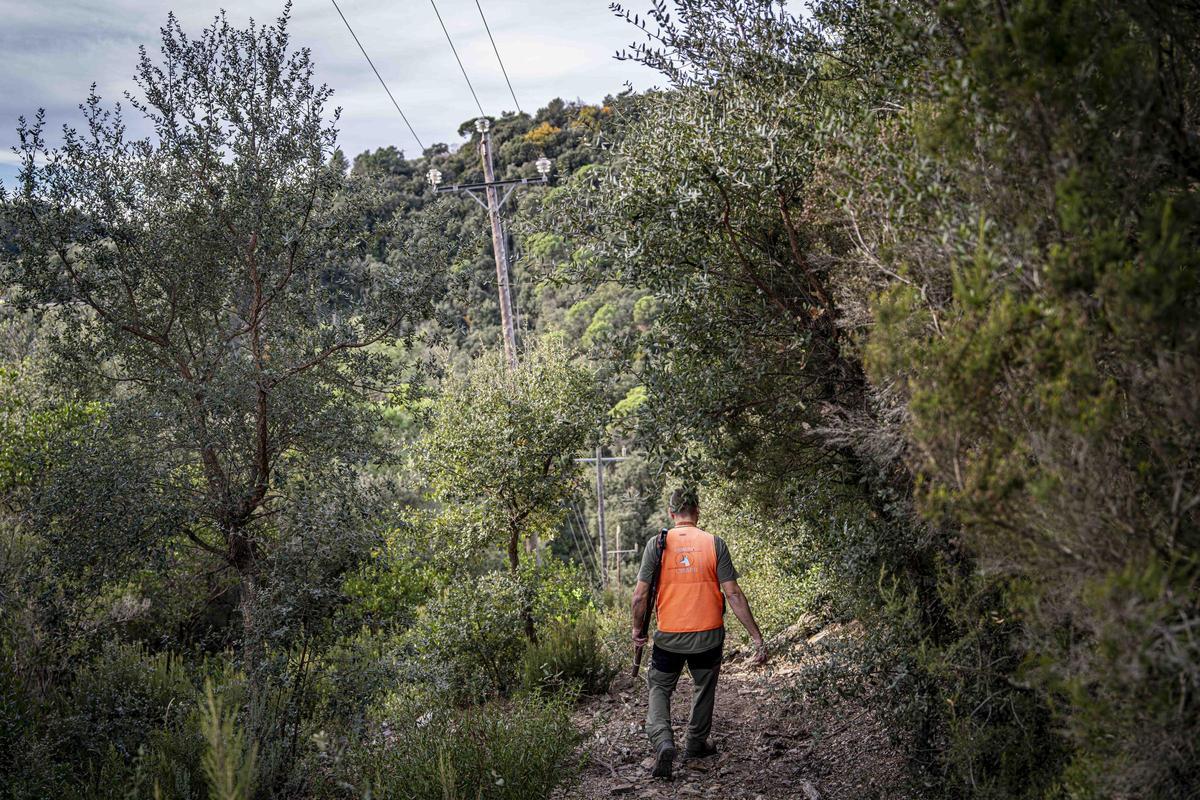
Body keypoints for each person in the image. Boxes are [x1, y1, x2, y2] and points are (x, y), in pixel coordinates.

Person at [631, 487, 767, 780]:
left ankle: (664, 741)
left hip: (669, 636)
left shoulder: (657, 545)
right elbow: (733, 593)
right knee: (704, 687)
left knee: (659, 688)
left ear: (671, 514)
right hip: (708, 636)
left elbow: (639, 597)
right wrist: (756, 636)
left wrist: (636, 630)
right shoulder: (713, 543)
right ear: (697, 511)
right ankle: (695, 742)